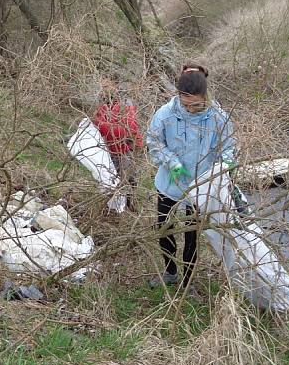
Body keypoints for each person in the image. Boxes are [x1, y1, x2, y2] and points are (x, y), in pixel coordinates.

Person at [146, 67, 236, 287]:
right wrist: (172, 162)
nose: (191, 109)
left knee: (191, 234)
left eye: (196, 105)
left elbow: (229, 148)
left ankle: (187, 282)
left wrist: (222, 169)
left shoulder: (218, 117)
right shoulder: (165, 115)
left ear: (205, 96)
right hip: (170, 182)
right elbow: (154, 143)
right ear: (179, 95)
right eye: (186, 105)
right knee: (164, 227)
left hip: (201, 186)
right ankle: (170, 272)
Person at [92, 78, 143, 206]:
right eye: (102, 86)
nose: (104, 88)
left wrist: (137, 146)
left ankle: (130, 203)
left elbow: (131, 127)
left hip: (123, 149)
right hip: (107, 148)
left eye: (106, 85)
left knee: (129, 177)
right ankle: (110, 205)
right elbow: (94, 124)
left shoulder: (125, 104)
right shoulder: (102, 105)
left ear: (115, 86)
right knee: (109, 178)